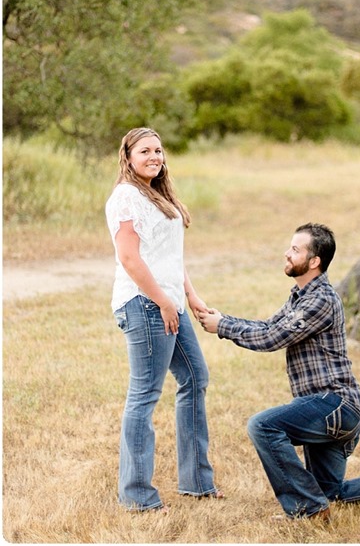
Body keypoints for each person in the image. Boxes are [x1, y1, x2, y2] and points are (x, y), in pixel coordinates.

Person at [197, 222, 360, 520]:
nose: (287, 253)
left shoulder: (321, 299)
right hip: (328, 411)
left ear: (314, 262)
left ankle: (305, 509)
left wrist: (223, 328)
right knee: (329, 492)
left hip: (333, 405)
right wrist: (222, 320)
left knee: (263, 426)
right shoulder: (301, 296)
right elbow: (271, 326)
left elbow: (272, 339)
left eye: (295, 250)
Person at [105, 127, 221, 512]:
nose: (154, 156)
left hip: (170, 303)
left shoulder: (157, 195)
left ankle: (197, 482)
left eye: (158, 150)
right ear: (128, 156)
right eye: (145, 151)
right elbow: (130, 259)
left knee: (195, 378)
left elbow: (169, 257)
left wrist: (189, 296)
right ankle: (137, 496)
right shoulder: (126, 197)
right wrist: (164, 302)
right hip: (145, 304)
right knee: (144, 396)